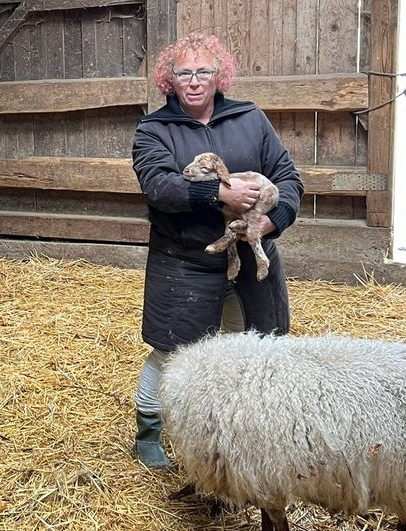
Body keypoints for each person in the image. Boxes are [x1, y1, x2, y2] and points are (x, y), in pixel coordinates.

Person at [131, 33, 304, 470]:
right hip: (186, 263)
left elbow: (287, 177)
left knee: (250, 346)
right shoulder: (154, 129)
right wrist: (220, 193)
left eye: (203, 71)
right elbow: (160, 186)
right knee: (172, 350)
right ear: (169, 79)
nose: (194, 81)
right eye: (184, 73)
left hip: (250, 262)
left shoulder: (249, 118)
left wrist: (271, 221)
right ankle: (149, 430)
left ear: (219, 74)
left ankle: (240, 430)